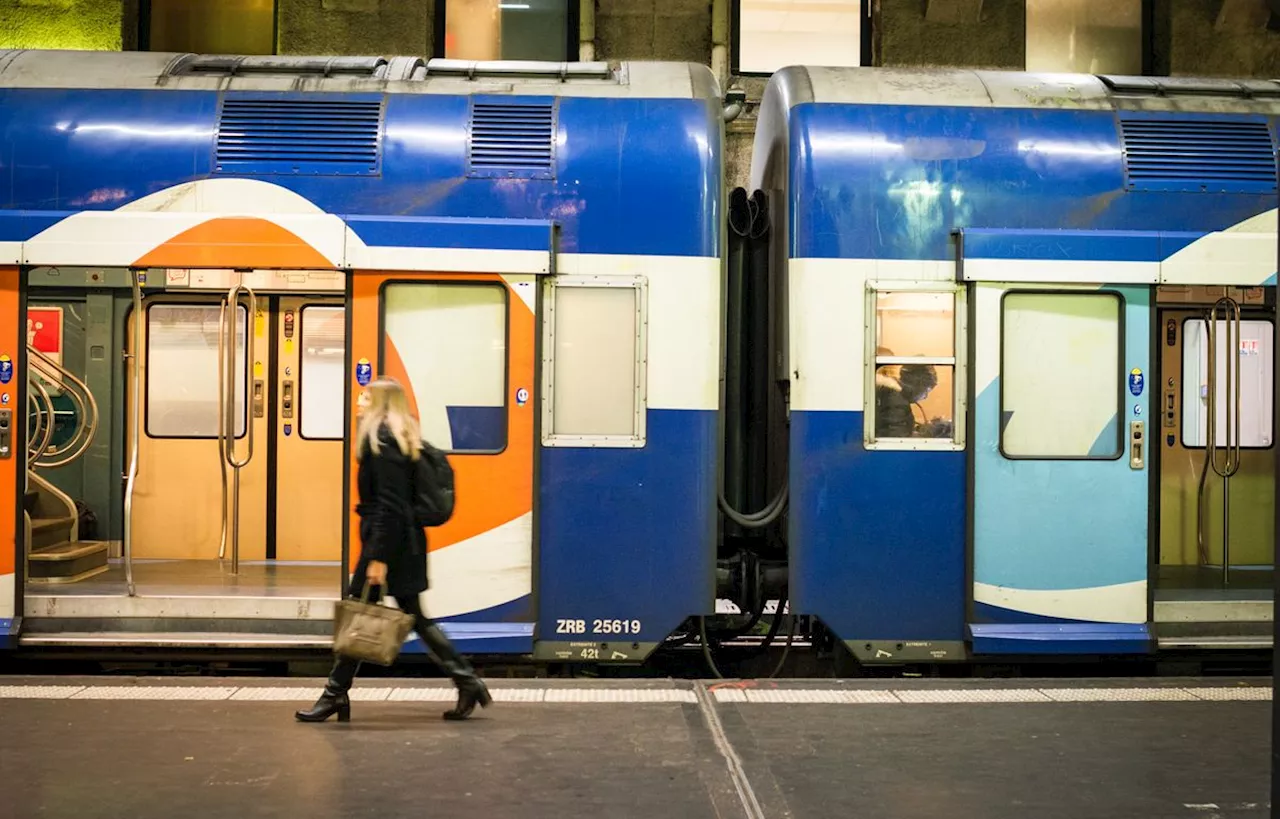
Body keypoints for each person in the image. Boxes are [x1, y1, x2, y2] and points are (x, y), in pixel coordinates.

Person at [295, 377, 491, 723]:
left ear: (381, 403)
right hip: (403, 541)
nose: (358, 400)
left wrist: (378, 557)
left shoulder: (382, 439)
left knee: (359, 615)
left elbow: (389, 504)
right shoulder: (399, 436)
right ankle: (467, 681)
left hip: (390, 544)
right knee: (411, 615)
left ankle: (335, 695)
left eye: (365, 396)